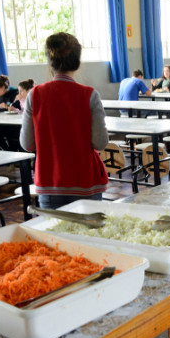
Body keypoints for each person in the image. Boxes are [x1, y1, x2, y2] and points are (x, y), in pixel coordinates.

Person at [20, 32, 109, 210]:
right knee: (86, 236)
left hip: (50, 182)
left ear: (50, 61)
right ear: (77, 61)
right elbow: (100, 143)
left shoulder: (35, 95)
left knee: (54, 235)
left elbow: (27, 144)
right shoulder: (90, 95)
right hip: (85, 181)